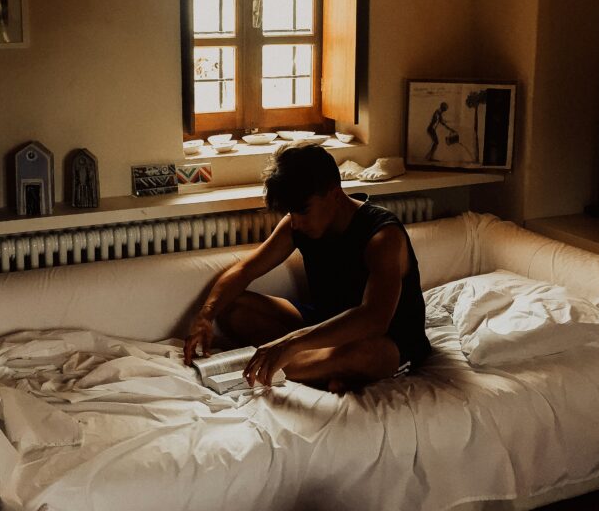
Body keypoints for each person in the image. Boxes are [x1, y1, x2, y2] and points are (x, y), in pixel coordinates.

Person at [183, 142, 431, 393]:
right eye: (292, 211)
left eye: (303, 211)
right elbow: (245, 271)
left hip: (387, 339)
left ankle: (300, 365)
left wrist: (291, 343)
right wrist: (206, 315)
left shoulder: (383, 236)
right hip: (323, 323)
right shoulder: (296, 225)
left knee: (364, 353)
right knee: (234, 307)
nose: (296, 221)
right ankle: (319, 371)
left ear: (335, 194)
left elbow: (374, 319)